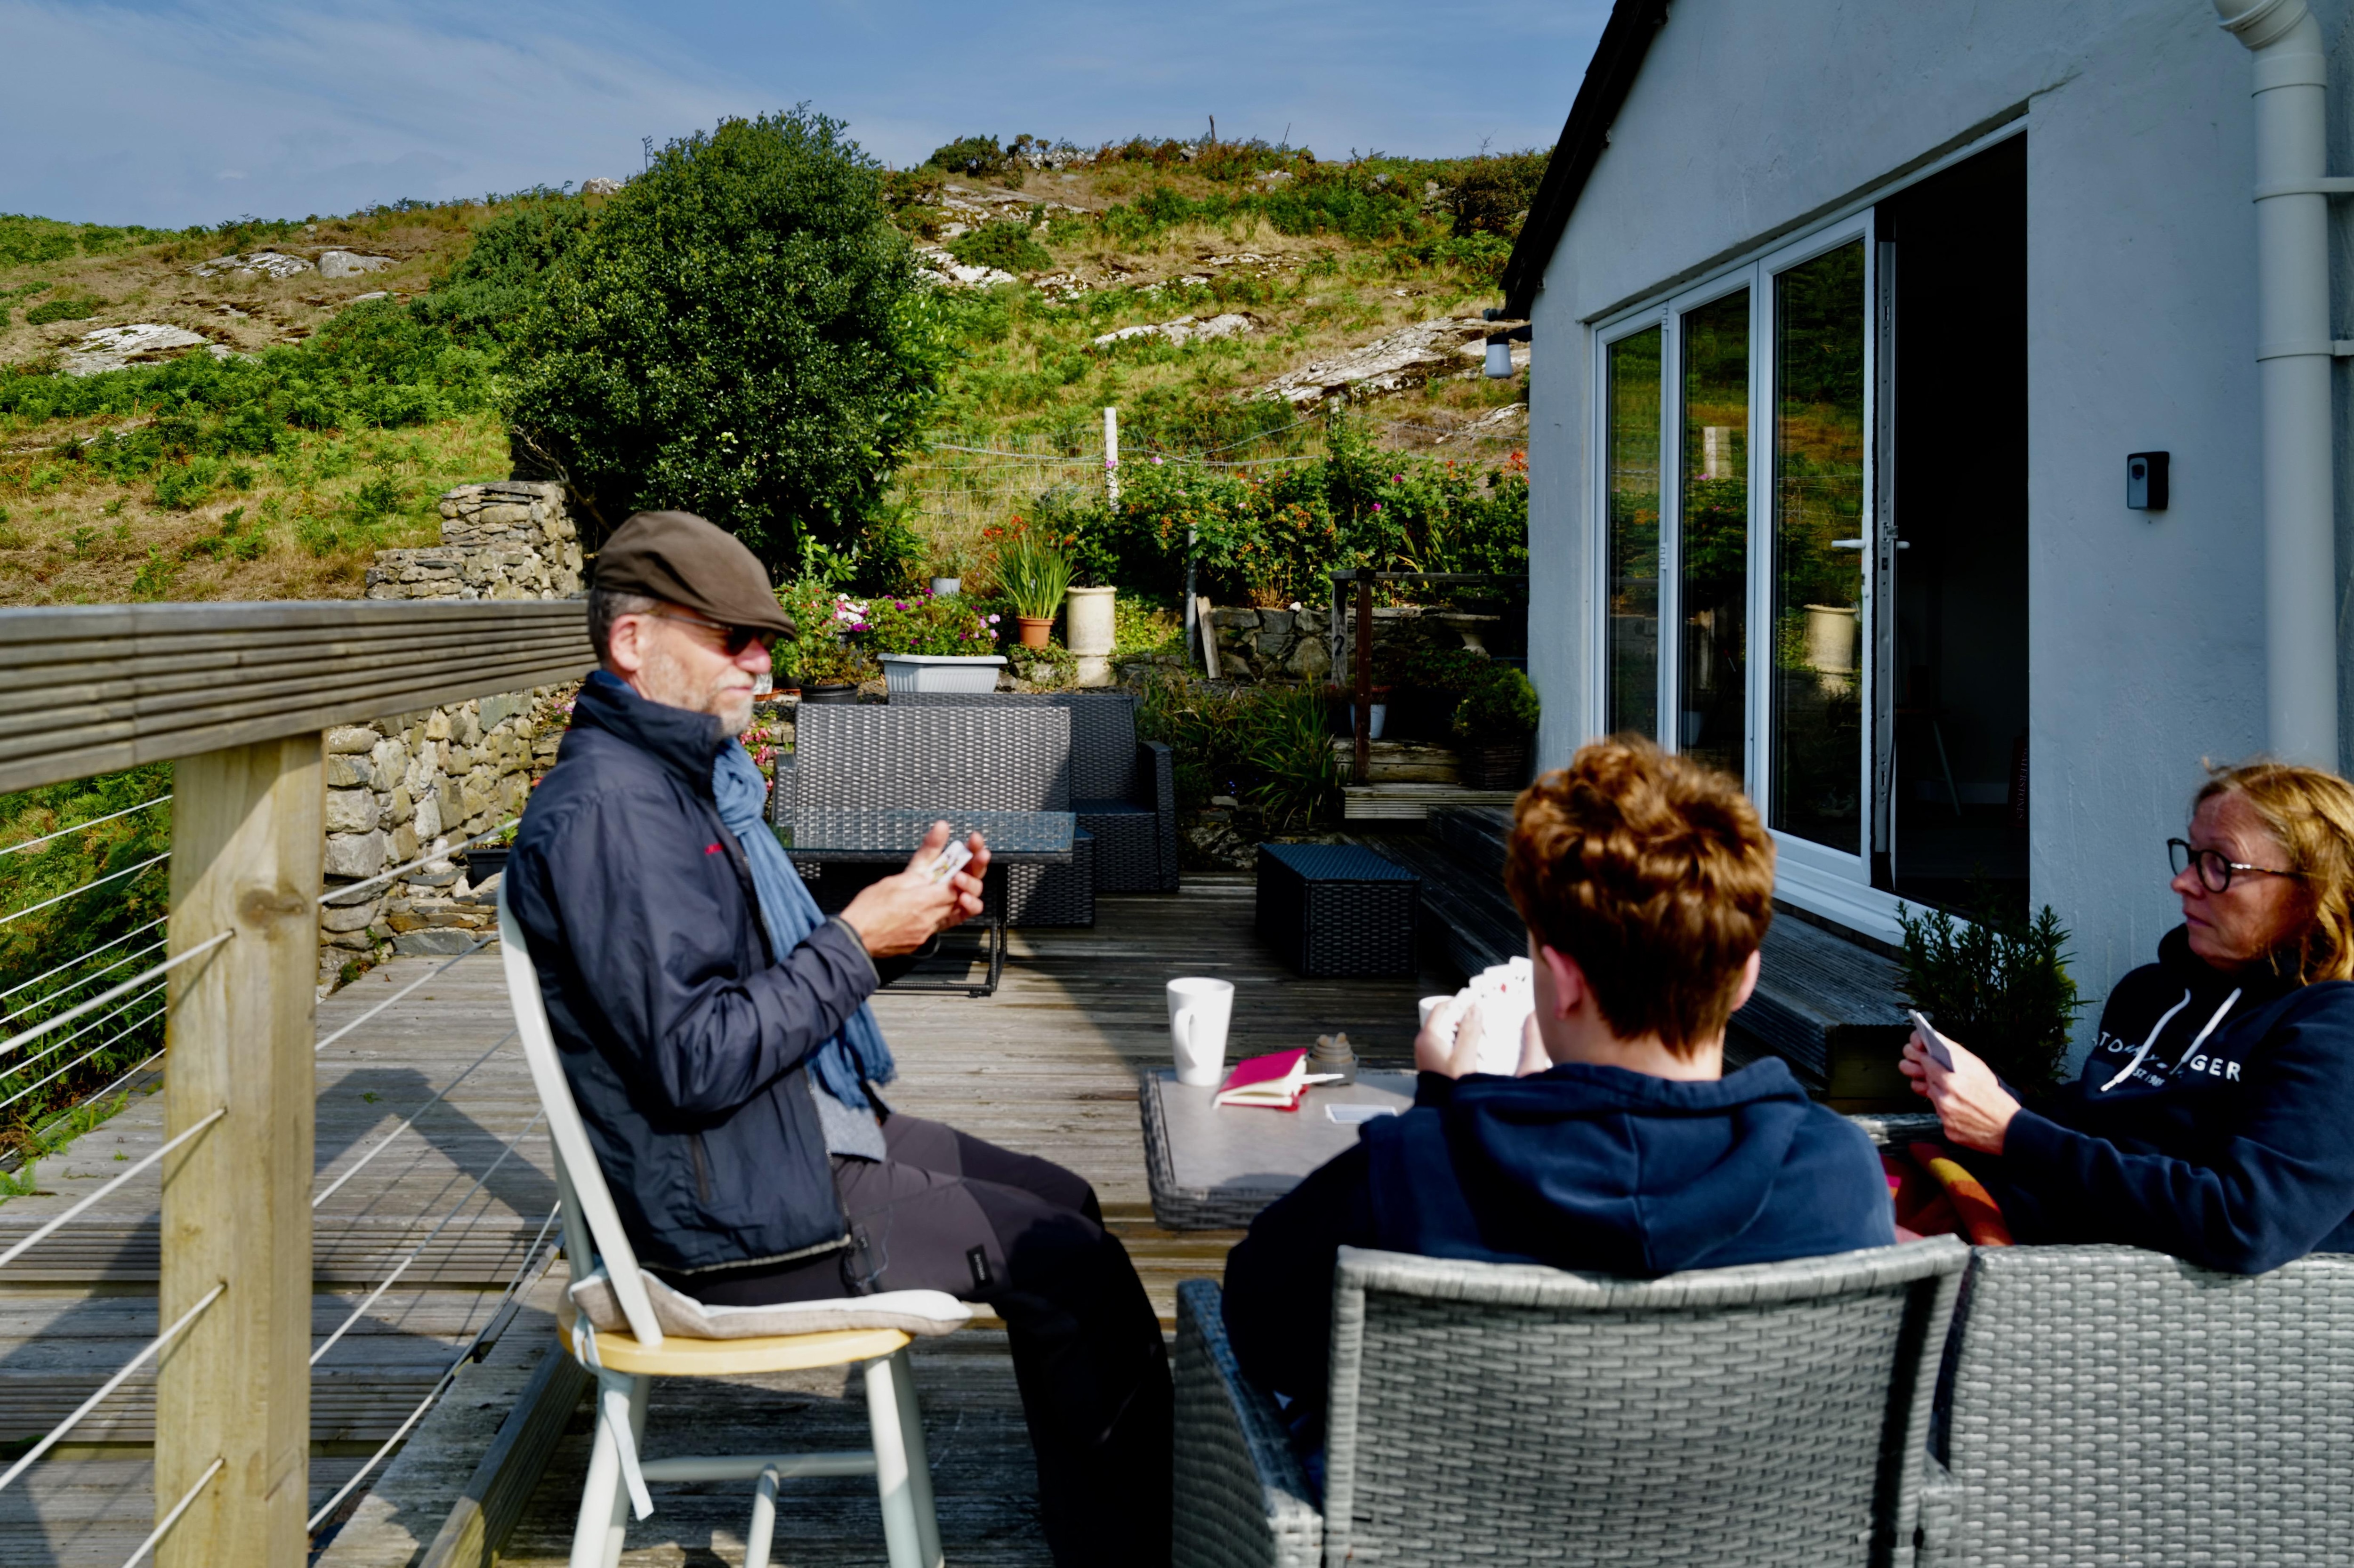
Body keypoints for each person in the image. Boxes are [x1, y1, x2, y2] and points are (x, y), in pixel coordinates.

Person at [505, 511, 1170, 1566]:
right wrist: (857, 940)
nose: (761, 663)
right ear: (633, 642)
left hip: (770, 1144)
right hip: (730, 1222)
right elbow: (695, 1060)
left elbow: (756, 991)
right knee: (1069, 1264)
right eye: (732, 638)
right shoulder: (612, 815)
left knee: (1069, 1202)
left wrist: (901, 928)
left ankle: (1100, 1518)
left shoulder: (674, 788)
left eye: (764, 641)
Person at [1219, 739, 1896, 1457]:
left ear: (1564, 980)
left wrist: (1450, 1110)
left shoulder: (1418, 1169)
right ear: (1746, 976)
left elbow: (1258, 1327)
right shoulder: (1837, 1173)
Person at [1903, 760, 2354, 1274]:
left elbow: (2245, 1221)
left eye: (2219, 865)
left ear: (2311, 892)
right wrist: (1989, 1096)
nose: (2182, 882)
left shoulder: (2332, 1030)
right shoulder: (2150, 993)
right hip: (2000, 1219)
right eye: (2190, 856)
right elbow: (2096, 1131)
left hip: (2063, 1279)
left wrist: (2012, 1132)